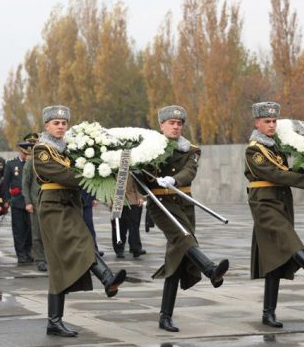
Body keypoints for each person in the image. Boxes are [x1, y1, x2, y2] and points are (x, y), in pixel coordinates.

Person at [129, 105, 229, 332]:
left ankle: (165, 316)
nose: (175, 127)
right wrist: (137, 172)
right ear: (161, 125)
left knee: (176, 257)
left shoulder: (191, 150)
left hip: (183, 204)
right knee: (184, 239)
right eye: (171, 123)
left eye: (179, 124)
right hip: (160, 205)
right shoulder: (148, 149)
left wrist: (174, 180)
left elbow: (189, 172)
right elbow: (141, 181)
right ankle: (210, 269)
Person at [245, 101, 304, 328]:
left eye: (274, 121)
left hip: (281, 202)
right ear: (257, 123)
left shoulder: (276, 147)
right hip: (264, 204)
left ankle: (268, 313)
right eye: (267, 121)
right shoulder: (254, 150)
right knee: (290, 240)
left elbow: (287, 170)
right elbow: (274, 174)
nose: (272, 125)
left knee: (274, 259)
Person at [35, 105, 126, 337]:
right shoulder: (42, 149)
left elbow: (78, 168)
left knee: (63, 262)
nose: (61, 127)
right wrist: (93, 174)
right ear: (46, 125)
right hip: (53, 206)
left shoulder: (68, 149)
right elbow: (63, 175)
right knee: (81, 242)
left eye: (64, 123)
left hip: (68, 205)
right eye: (56, 123)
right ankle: (107, 279)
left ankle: (54, 322)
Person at [3, 139, 33, 264]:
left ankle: (29, 251)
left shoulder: (33, 164)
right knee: (19, 229)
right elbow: (6, 183)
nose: (27, 156)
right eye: (26, 154)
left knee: (30, 229)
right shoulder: (11, 164)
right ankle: (21, 253)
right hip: (17, 201)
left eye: (29, 154)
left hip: (31, 202)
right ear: (21, 151)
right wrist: (6, 200)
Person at [21, 133, 47, 271]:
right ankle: (40, 260)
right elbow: (25, 184)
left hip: (50, 202)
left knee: (50, 232)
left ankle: (51, 258)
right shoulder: (31, 162)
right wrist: (28, 202)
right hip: (36, 202)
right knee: (37, 234)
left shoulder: (49, 160)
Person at [110, 190, 145, 259]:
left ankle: (135, 248)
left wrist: (140, 197)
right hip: (117, 199)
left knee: (134, 225)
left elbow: (138, 185)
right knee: (118, 226)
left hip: (133, 199)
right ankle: (119, 249)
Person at [81, 190, 104, 256]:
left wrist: (93, 198)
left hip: (86, 201)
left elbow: (92, 185)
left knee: (89, 226)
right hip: (73, 201)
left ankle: (94, 249)